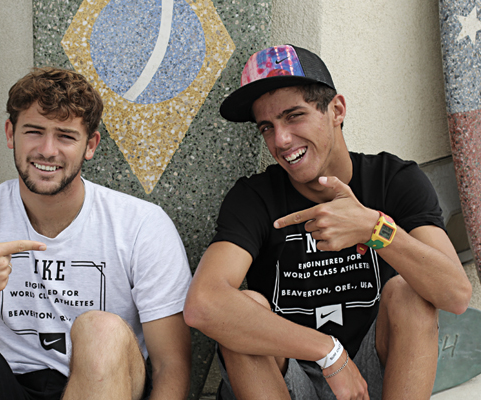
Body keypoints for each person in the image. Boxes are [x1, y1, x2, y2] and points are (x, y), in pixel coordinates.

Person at [183, 45, 472, 400]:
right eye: (267, 127)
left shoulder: (393, 180)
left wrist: (375, 229)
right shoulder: (254, 197)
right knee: (242, 312)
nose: (280, 140)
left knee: (410, 293)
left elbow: (455, 295)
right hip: (289, 375)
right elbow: (203, 304)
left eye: (294, 116)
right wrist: (328, 352)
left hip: (370, 375)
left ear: (336, 110)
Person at [0, 67, 192, 400]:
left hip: (107, 382)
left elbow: (171, 366)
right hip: (9, 381)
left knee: (101, 330)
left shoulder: (140, 224)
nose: (47, 150)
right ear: (10, 134)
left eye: (65, 136)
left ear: (90, 145)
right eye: (34, 131)